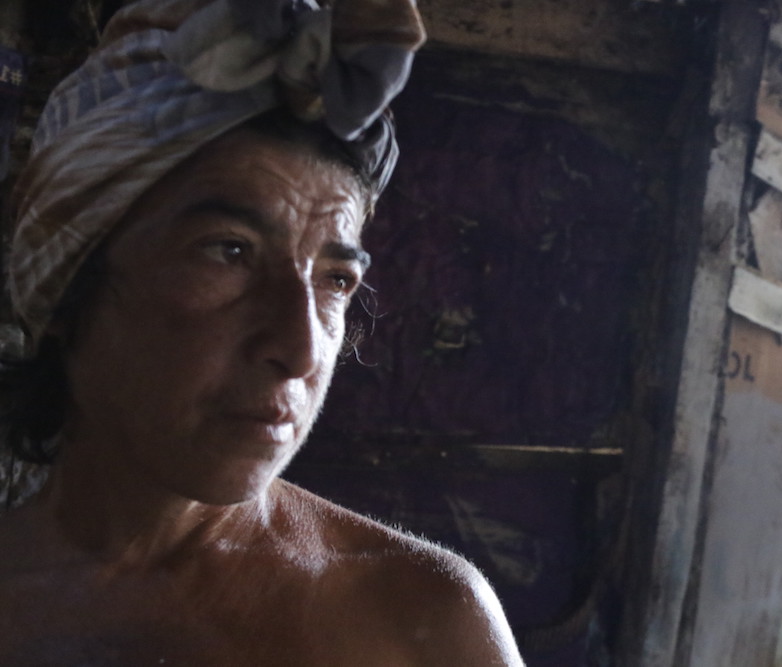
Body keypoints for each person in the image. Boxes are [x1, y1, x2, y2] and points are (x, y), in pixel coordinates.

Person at [0, 0, 524, 664]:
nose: (300, 349)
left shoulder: (418, 618)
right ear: (66, 284)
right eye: (230, 252)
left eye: (335, 280)